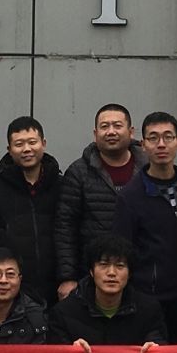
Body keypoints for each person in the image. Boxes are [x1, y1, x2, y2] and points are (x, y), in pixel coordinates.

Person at [115, 111, 177, 346]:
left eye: (168, 137)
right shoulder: (130, 196)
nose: (161, 144)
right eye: (153, 138)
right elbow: (122, 250)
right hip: (147, 299)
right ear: (143, 145)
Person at [0, 117, 64, 306]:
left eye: (32, 142)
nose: (27, 149)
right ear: (9, 149)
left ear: (43, 144)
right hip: (8, 287)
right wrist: (5, 236)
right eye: (19, 144)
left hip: (54, 286)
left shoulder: (60, 185)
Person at [56, 103, 144, 299]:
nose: (111, 132)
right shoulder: (79, 172)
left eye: (117, 125)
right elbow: (65, 227)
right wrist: (67, 277)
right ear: (95, 134)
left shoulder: (148, 169)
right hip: (91, 274)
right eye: (104, 127)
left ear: (131, 132)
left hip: (142, 274)